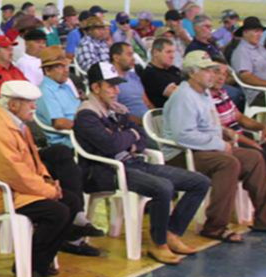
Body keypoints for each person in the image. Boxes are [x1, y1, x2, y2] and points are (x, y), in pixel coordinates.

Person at [73, 62, 209, 264]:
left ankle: (171, 232)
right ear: (95, 88)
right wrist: (129, 136)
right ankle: (158, 243)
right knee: (163, 187)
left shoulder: (117, 110)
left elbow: (142, 137)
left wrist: (127, 138)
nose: (116, 91)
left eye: (116, 85)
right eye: (110, 86)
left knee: (199, 182)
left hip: (134, 163)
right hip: (104, 171)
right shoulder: (86, 115)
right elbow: (110, 145)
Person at [163, 51, 266, 242]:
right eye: (206, 70)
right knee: (228, 163)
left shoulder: (203, 93)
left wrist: (224, 133)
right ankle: (215, 227)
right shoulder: (183, 96)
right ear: (192, 73)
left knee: (254, 157)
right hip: (182, 153)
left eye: (211, 70)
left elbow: (209, 124)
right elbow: (183, 136)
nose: (212, 75)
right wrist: (220, 144)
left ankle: (265, 218)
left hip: (206, 148)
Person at [0, 81, 72, 277]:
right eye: (30, 103)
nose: (34, 107)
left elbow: (34, 160)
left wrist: (48, 182)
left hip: (18, 189)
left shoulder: (16, 124)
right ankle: (30, 266)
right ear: (14, 105)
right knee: (58, 212)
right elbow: (13, 174)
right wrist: (49, 192)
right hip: (1, 193)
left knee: (72, 202)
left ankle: (41, 262)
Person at [211, 59, 266, 188]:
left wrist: (262, 127)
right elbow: (223, 132)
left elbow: (239, 117)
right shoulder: (205, 99)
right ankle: (258, 195)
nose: (221, 77)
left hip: (242, 137)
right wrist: (253, 143)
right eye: (217, 72)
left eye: (224, 74)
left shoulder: (222, 93)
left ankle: (260, 194)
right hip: (229, 143)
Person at [36, 46, 80, 147]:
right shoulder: (45, 91)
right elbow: (59, 123)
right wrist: (88, 127)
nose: (66, 70)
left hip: (80, 134)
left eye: (66, 66)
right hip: (68, 140)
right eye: (60, 67)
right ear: (47, 70)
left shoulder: (65, 86)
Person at [231, 16, 266, 106]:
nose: (259, 34)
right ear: (245, 33)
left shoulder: (261, 48)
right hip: (261, 93)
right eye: (256, 31)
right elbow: (246, 77)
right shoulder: (242, 51)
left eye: (261, 31)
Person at [110, 41, 151, 121]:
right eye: (129, 55)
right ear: (116, 58)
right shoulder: (110, 81)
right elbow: (115, 113)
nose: (133, 58)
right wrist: (143, 122)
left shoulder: (134, 76)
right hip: (132, 126)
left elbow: (147, 103)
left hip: (148, 121)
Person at [142, 37, 183, 108]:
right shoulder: (150, 74)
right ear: (155, 53)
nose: (172, 56)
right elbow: (179, 95)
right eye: (168, 52)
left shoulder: (173, 69)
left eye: (173, 52)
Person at [0, 35, 25, 100]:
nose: (11, 52)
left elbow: (28, 88)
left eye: (11, 49)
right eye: (7, 49)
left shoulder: (15, 69)